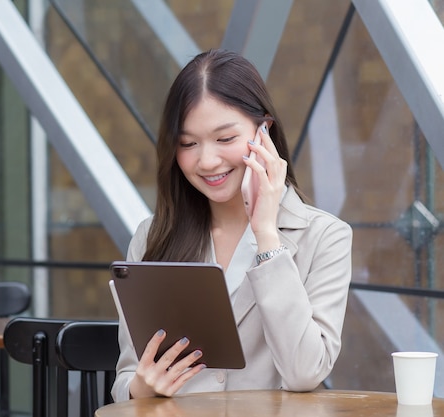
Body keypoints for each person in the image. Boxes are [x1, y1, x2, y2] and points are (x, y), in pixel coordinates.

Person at [111, 49, 353, 401]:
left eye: (225, 139)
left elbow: (305, 372)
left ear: (264, 132)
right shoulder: (152, 236)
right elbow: (127, 376)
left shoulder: (325, 237)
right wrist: (142, 387)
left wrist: (267, 236)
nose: (207, 161)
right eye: (188, 143)